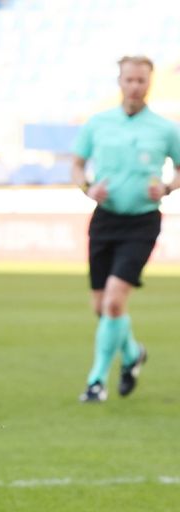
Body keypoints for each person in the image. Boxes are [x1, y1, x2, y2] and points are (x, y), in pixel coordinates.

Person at [71, 55, 180, 403]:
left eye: (141, 80)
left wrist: (165, 188)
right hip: (105, 219)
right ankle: (132, 354)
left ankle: (95, 382)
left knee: (115, 303)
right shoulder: (98, 123)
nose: (135, 86)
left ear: (149, 83)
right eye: (129, 79)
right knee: (101, 307)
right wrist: (87, 188)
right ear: (119, 81)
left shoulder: (165, 128)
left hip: (142, 221)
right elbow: (76, 163)